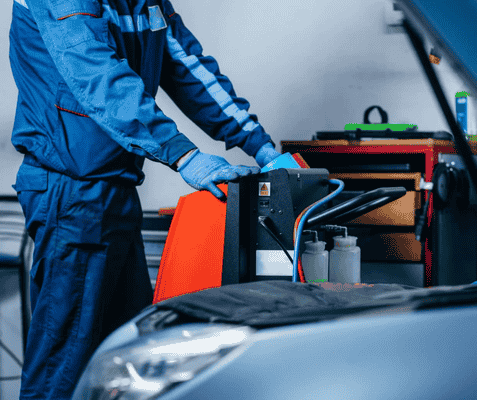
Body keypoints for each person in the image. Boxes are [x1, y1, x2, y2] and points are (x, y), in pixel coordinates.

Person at [9, 0, 281, 398]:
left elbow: (188, 65)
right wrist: (183, 154)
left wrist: (262, 147)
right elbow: (98, 75)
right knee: (65, 363)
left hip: (113, 191)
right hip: (72, 193)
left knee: (125, 360)